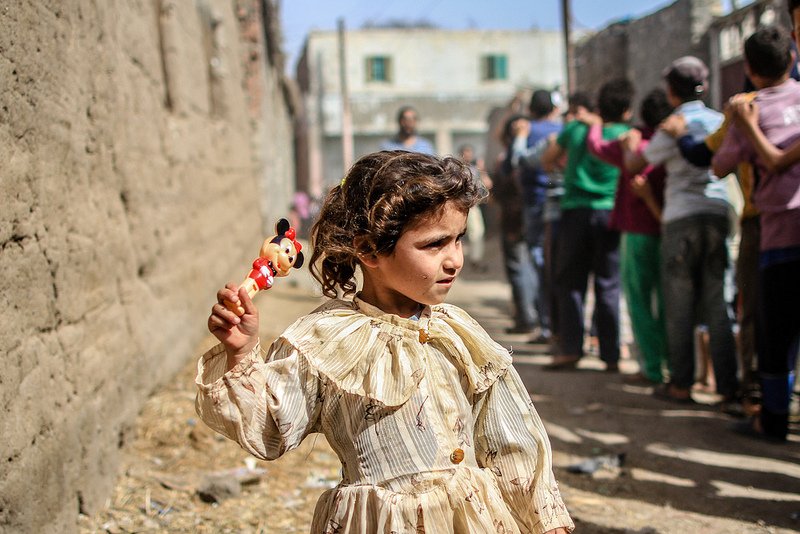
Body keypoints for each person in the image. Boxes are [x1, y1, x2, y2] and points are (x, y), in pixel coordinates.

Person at [196, 150, 574, 533]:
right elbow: (271, 431)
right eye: (435, 244)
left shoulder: (459, 334)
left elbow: (511, 439)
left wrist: (547, 523)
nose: (454, 260)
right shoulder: (326, 339)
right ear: (368, 250)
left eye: (458, 240)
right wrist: (241, 353)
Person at [624, 56, 739, 405]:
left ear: (672, 91)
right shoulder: (719, 120)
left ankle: (681, 384)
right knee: (718, 305)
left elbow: (636, 164)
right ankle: (728, 389)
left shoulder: (674, 124)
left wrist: (630, 144)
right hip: (718, 215)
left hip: (681, 219)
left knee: (679, 305)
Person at [712, 25, 800, 442]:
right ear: (792, 58)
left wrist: (741, 124)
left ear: (748, 68)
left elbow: (719, 165)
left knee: (775, 332)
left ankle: (774, 418)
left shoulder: (751, 110)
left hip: (779, 234)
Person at [576, 88, 673, 385]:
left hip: (638, 233)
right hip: (671, 230)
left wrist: (595, 123)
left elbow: (596, 146)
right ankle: (675, 367)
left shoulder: (634, 143)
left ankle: (652, 367)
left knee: (640, 302)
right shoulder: (675, 142)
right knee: (669, 302)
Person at [541, 79, 634, 372]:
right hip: (609, 214)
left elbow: (547, 160)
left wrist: (567, 163)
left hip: (575, 212)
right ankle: (610, 354)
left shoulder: (575, 129)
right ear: (627, 110)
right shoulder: (624, 134)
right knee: (608, 284)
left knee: (570, 282)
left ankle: (571, 349)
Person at [507, 90, 564, 343]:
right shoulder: (562, 129)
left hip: (535, 203)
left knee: (540, 261)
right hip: (560, 203)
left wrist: (519, 137)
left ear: (531, 110)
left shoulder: (527, 130)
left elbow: (516, 161)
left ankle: (548, 325)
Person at [493, 114, 542, 335]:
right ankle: (531, 316)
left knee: (519, 267)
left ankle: (527, 317)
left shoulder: (511, 158)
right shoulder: (533, 152)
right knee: (530, 266)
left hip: (514, 219)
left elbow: (505, 190)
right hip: (525, 217)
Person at [457, 143, 491, 271]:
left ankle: (475, 260)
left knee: (477, 233)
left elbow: (488, 184)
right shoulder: (456, 169)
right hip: (461, 205)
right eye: (465, 153)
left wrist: (482, 169)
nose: (468, 155)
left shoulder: (475, 169)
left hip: (473, 205)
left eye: (469, 153)